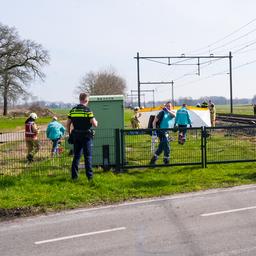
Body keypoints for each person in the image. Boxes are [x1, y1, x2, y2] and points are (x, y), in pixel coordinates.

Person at [67, 93, 98, 181]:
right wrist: (96, 121)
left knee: (76, 156)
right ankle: (90, 177)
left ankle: (74, 177)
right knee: (88, 156)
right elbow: (95, 124)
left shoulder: (72, 110)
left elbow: (68, 124)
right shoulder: (88, 111)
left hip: (76, 135)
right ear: (86, 100)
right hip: (86, 136)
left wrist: (70, 134)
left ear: (79, 99)